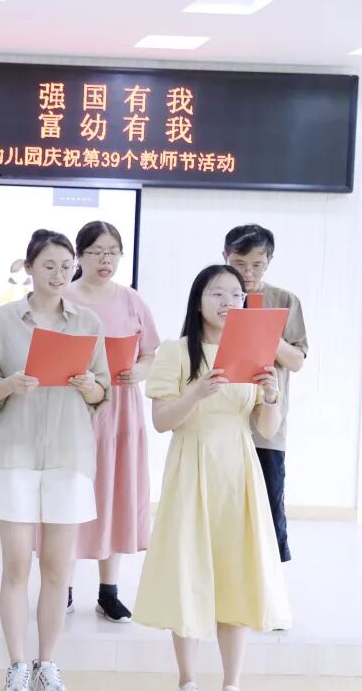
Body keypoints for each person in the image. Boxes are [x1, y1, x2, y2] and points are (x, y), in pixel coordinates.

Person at [133, 264, 290, 691]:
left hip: (238, 470)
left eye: (235, 295)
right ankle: (187, 680)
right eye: (216, 293)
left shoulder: (255, 351)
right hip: (191, 466)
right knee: (187, 570)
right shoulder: (176, 351)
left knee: (235, 574)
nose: (227, 302)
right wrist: (197, 393)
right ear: (198, 300)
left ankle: (231, 683)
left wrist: (271, 396)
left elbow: (267, 429)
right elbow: (162, 421)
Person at [0, 229, 109, 691]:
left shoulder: (88, 323)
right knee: (16, 565)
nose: (58, 274)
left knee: (57, 568)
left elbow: (103, 391)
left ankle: (47, 664)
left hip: (69, 455)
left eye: (66, 266)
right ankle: (16, 664)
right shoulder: (3, 319)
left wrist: (90, 386)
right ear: (29, 267)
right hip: (14, 454)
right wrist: (8, 384)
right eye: (48, 265)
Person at [63, 221, 160, 622]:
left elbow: (150, 352)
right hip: (73, 407)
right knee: (70, 495)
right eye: (97, 252)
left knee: (115, 493)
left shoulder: (132, 300)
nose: (106, 260)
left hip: (121, 408)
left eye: (113, 252)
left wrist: (140, 370)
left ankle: (109, 591)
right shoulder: (63, 296)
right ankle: (63, 587)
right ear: (79, 256)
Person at [223, 224, 307, 563]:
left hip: (266, 424)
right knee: (224, 507)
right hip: (222, 420)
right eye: (239, 264)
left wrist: (263, 330)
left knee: (269, 508)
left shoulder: (285, 301)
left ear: (269, 261)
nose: (248, 273)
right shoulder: (213, 296)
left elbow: (296, 361)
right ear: (225, 256)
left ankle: (268, 584)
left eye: (257, 265)